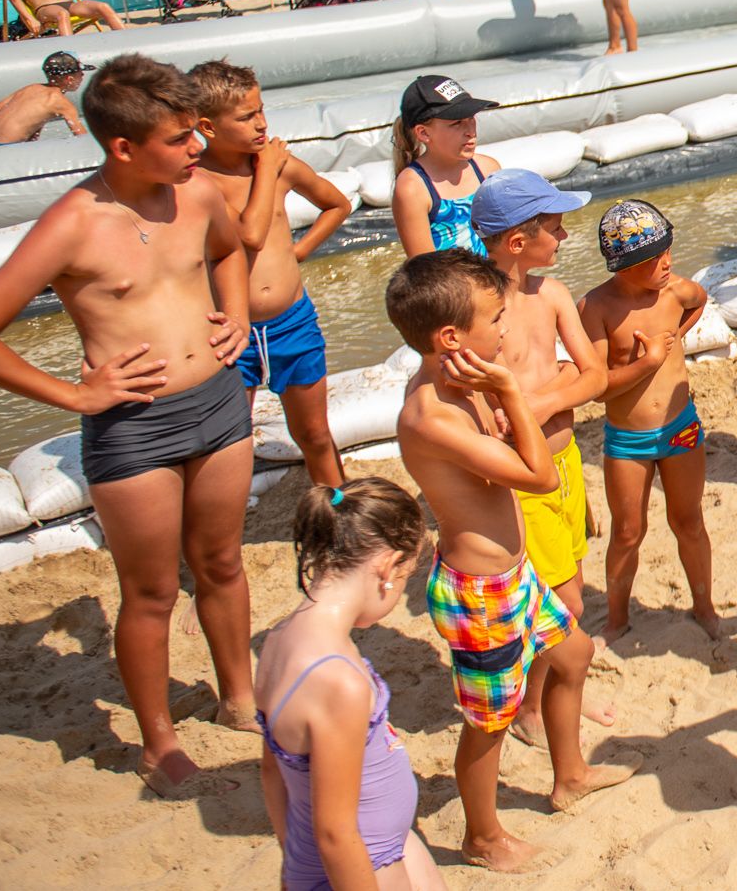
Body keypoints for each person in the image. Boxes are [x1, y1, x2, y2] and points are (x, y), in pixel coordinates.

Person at [0, 55, 256, 795]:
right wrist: (74, 396)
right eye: (179, 137)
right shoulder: (72, 223)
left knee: (222, 563)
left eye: (197, 131)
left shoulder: (198, 191)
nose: (197, 147)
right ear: (122, 146)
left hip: (219, 403)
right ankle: (158, 742)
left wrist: (238, 314)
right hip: (134, 429)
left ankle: (240, 698)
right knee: (151, 592)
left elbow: (230, 250)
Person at [387, 250, 628, 871]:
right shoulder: (431, 416)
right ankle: (482, 836)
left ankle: (569, 775)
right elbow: (538, 475)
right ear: (450, 337)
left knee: (574, 654)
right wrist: (510, 391)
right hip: (480, 592)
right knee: (488, 724)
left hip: (515, 575)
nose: (505, 326)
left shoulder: (458, 382)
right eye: (494, 318)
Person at [470, 171, 612, 743]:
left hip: (566, 461)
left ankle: (551, 695)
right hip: (522, 479)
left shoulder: (550, 293)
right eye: (555, 227)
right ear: (516, 241)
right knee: (565, 602)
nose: (566, 236)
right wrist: (559, 384)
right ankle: (534, 706)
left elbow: (596, 375)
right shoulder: (477, 310)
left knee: (569, 582)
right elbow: (474, 402)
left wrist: (537, 402)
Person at [255, 478, 445, 891]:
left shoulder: (279, 640)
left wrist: (294, 858)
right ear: (388, 569)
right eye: (406, 576)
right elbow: (336, 836)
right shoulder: (338, 681)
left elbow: (273, 774)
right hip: (364, 867)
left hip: (381, 844)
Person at [191, 61, 353, 489]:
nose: (262, 124)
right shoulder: (198, 180)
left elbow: (337, 204)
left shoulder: (280, 165)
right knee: (228, 440)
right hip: (230, 329)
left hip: (292, 322)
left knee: (314, 434)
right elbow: (250, 234)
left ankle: (338, 508)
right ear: (207, 127)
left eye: (261, 110)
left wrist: (300, 250)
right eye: (246, 117)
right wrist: (265, 169)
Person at [579, 200, 718, 641]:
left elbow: (700, 300)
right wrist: (648, 363)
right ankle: (617, 619)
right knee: (626, 532)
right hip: (628, 439)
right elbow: (598, 387)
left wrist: (677, 334)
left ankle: (705, 607)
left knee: (689, 521)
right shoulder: (597, 307)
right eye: (655, 259)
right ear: (622, 266)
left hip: (681, 428)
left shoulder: (675, 292)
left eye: (668, 251)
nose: (668, 263)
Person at [391, 75, 503, 258]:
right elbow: (423, 268)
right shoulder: (412, 188)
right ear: (424, 133)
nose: (470, 131)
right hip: (446, 278)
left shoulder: (487, 169)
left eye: (471, 118)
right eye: (456, 123)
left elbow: (505, 241)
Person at [0, 50, 91, 146]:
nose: (83, 75)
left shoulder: (32, 88)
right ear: (70, 79)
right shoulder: (62, 103)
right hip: (4, 146)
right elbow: (82, 137)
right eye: (81, 73)